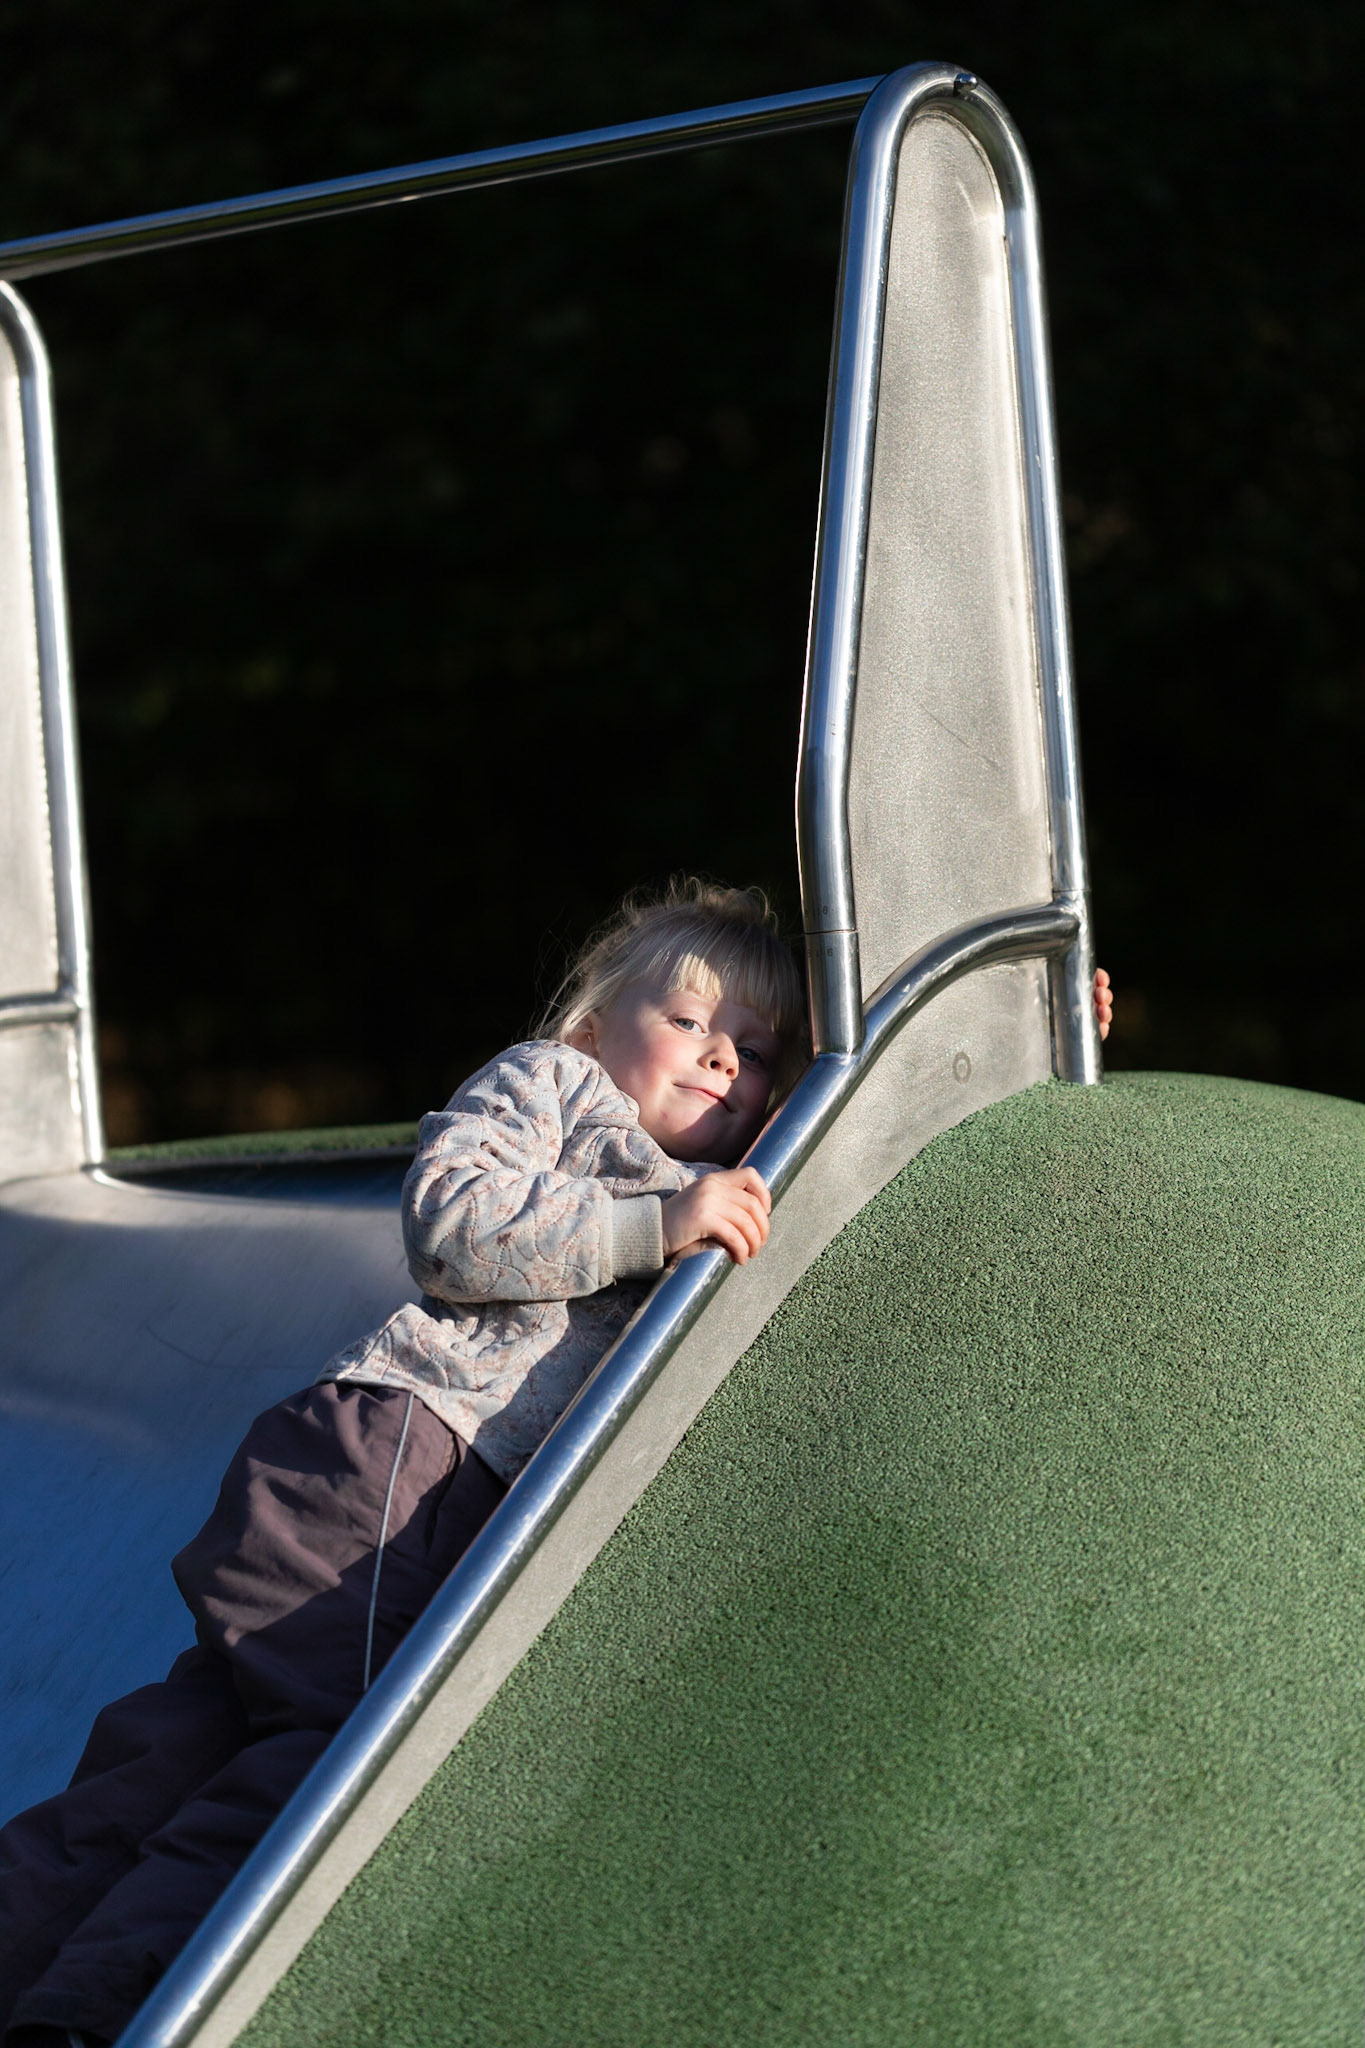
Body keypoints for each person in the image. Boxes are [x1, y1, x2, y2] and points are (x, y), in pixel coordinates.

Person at [0, 880, 1113, 2047]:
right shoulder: (555, 1085)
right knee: (325, 1771)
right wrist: (649, 1226)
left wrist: (1028, 1027)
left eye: (754, 1050)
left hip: (419, 1487)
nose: (722, 1057)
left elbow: (875, 1122)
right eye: (690, 1020)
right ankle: (97, 2013)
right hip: (401, 1462)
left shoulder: (733, 1180)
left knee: (174, 1756)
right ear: (592, 1024)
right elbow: (451, 1218)